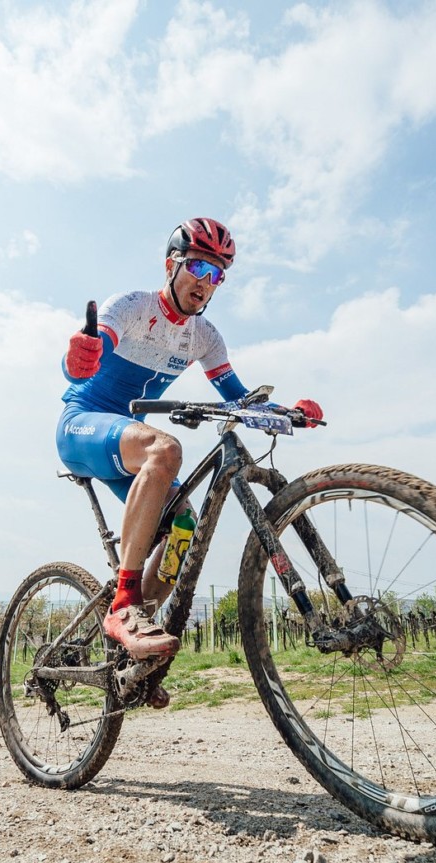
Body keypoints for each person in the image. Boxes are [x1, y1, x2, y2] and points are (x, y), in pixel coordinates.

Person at [56, 217, 322, 706]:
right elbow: (86, 356)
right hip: (84, 426)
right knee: (166, 449)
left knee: (185, 528)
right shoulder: (131, 306)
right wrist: (79, 358)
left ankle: (136, 646)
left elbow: (238, 398)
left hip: (129, 443)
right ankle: (123, 605)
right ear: (171, 265)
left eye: (217, 274)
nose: (205, 281)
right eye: (198, 266)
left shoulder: (205, 337)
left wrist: (287, 413)